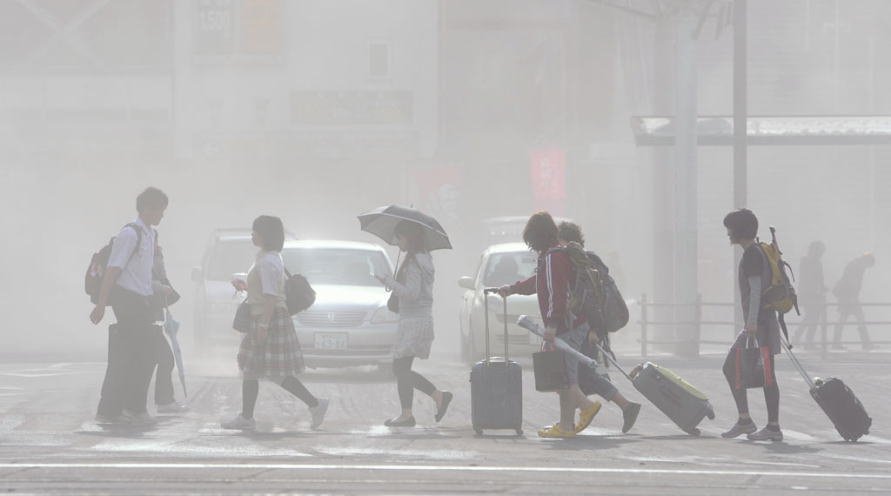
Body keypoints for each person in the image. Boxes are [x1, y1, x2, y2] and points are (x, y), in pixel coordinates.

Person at [498, 212, 602, 438]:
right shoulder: (549, 256)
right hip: (567, 324)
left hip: (568, 325)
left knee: (565, 377)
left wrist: (552, 325)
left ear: (538, 237)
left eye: (532, 241)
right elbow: (538, 283)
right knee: (563, 377)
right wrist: (513, 288)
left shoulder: (555, 258)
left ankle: (577, 415)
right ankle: (567, 423)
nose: (531, 247)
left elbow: (558, 294)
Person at [222, 216, 329, 431]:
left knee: (266, 371)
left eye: (255, 232)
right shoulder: (267, 257)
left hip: (268, 319)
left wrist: (263, 326)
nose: (252, 235)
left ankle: (314, 404)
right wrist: (246, 286)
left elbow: (271, 297)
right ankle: (248, 416)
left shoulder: (269, 261)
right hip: (265, 316)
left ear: (265, 235)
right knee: (256, 370)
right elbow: (265, 291)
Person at [90, 187, 169, 426]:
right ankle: (112, 409)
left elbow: (143, 274)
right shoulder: (130, 234)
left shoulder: (150, 235)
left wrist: (158, 290)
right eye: (160, 211)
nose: (162, 216)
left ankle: (133, 407)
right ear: (147, 208)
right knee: (127, 357)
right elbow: (113, 271)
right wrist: (101, 305)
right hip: (128, 302)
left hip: (143, 302)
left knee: (145, 356)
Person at [556, 221, 641, 434]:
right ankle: (572, 419)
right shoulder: (587, 260)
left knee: (582, 374)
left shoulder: (581, 262)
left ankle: (625, 406)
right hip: (593, 327)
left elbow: (592, 299)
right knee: (587, 372)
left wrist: (595, 329)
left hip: (589, 328)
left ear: (564, 240)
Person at [375, 221, 453, 427]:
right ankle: (410, 411)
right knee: (402, 367)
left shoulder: (415, 263)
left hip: (414, 321)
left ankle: (433, 398)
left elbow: (411, 293)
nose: (398, 242)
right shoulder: (424, 259)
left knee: (400, 368)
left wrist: (389, 282)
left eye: (399, 237)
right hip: (419, 319)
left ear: (408, 238)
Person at [720, 209, 784, 442]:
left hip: (760, 324)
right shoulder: (756, 252)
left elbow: (756, 290)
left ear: (739, 230)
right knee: (765, 373)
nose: (727, 233)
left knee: (736, 368)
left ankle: (766, 425)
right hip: (762, 321)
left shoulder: (752, 255)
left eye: (730, 229)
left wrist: (752, 323)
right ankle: (751, 421)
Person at [150, 242, 188, 414]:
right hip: (145, 316)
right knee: (165, 358)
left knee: (159, 359)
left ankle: (162, 401)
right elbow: (145, 281)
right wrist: (161, 287)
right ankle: (163, 401)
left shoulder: (150, 255)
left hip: (152, 316)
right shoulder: (142, 258)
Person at [832, 253, 876, 350]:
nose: (867, 267)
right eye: (868, 265)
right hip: (848, 297)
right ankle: (865, 343)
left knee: (845, 319)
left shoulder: (857, 265)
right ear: (866, 261)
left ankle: (836, 342)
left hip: (848, 296)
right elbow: (852, 282)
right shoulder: (856, 266)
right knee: (853, 318)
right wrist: (853, 296)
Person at [794, 241, 827, 349]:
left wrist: (822, 288)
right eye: (819, 252)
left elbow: (820, 278)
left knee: (813, 317)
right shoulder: (805, 261)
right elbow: (806, 279)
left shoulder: (818, 263)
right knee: (811, 316)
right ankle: (803, 340)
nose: (820, 254)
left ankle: (804, 340)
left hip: (815, 295)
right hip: (807, 294)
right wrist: (816, 289)